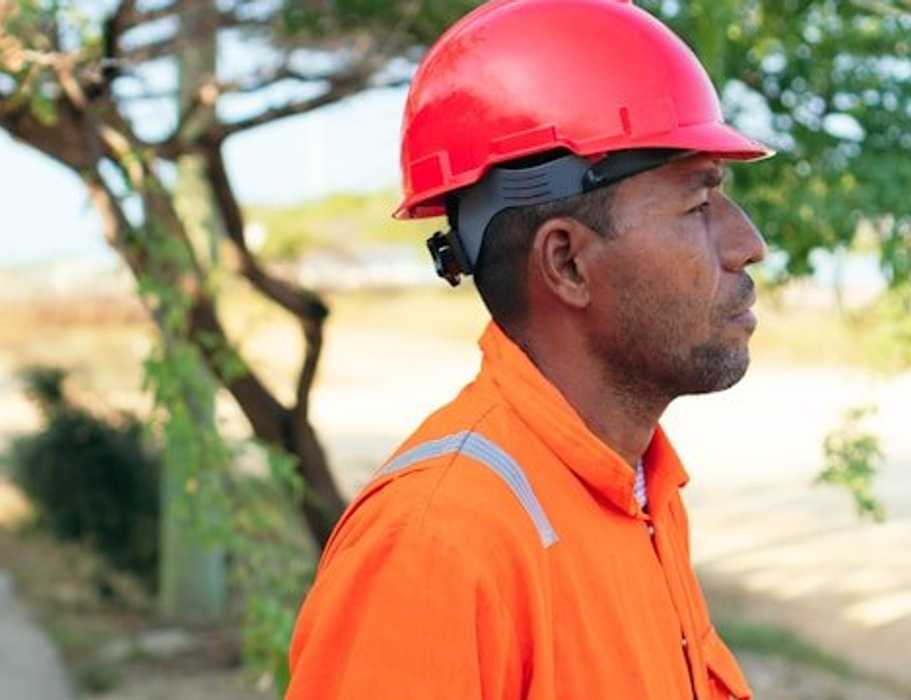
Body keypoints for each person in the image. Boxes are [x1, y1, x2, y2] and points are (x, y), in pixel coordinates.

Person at [286, 1, 771, 698]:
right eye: (697, 207)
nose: (746, 243)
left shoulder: (642, 491)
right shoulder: (437, 545)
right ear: (567, 264)